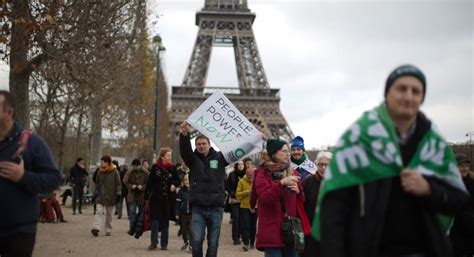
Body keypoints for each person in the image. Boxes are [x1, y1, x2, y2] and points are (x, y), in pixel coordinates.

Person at [315, 64, 469, 257]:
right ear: (387, 93)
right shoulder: (359, 139)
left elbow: (459, 200)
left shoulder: (433, 142)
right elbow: (334, 207)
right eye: (402, 88)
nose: (408, 96)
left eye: (416, 91)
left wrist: (429, 189)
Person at [0, 90, 62, 257]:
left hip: (19, 231)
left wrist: (23, 177)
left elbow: (54, 179)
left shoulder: (31, 143)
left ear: (9, 112)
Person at [179, 120, 230, 257]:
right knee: (196, 240)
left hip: (216, 206)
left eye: (204, 144)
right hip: (198, 206)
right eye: (198, 144)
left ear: (209, 144)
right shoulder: (193, 159)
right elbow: (184, 151)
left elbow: (234, 152)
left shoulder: (220, 157)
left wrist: (251, 140)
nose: (201, 146)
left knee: (213, 243)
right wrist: (184, 134)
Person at [254, 139, 305, 257]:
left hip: (291, 230)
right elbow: (265, 198)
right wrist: (281, 183)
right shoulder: (262, 174)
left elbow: (302, 201)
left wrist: (298, 191)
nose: (288, 154)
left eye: (289, 151)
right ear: (274, 154)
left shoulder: (292, 172)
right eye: (284, 151)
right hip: (272, 231)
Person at [146, 147, 180, 251]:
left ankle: (164, 244)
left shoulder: (173, 168)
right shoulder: (155, 167)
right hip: (156, 199)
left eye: (170, 155)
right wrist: (146, 198)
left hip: (167, 199)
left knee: (165, 221)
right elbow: (149, 183)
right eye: (168, 155)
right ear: (162, 156)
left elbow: (178, 180)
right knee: (155, 221)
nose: (170, 157)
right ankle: (153, 242)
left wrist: (174, 185)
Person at [301, 151, 332, 257]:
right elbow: (301, 204)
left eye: (326, 165)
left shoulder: (336, 183)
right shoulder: (308, 181)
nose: (323, 167)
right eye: (320, 164)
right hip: (310, 232)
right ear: (316, 165)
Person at [91, 155, 121, 237]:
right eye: (101, 162)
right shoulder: (99, 171)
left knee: (109, 215)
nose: (101, 163)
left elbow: (118, 184)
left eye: (102, 162)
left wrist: (118, 194)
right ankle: (96, 228)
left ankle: (108, 230)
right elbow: (97, 183)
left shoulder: (115, 171)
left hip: (111, 196)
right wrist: (95, 194)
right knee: (98, 212)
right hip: (100, 196)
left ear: (107, 162)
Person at [450, 154, 474, 257]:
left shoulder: (472, 183)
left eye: (467, 166)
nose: (465, 169)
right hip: (456, 233)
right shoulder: (450, 184)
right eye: (461, 166)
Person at [123, 159, 149, 237]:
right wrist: (131, 186)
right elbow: (125, 181)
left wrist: (142, 187)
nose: (135, 167)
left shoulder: (145, 172)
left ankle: (140, 228)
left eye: (136, 166)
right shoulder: (130, 172)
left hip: (141, 195)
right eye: (134, 166)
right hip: (132, 194)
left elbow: (149, 183)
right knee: (132, 212)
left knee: (141, 213)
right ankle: (132, 228)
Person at [236, 158, 257, 251]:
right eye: (249, 177)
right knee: (246, 225)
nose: (251, 180)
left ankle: (252, 242)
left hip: (256, 207)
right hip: (244, 206)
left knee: (253, 226)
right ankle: (246, 243)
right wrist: (246, 192)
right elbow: (237, 194)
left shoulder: (257, 181)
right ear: (246, 175)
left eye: (252, 177)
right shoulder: (241, 181)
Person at [226, 160, 245, 245]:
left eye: (242, 164)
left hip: (244, 200)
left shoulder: (246, 175)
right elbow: (228, 187)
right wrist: (234, 194)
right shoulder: (232, 174)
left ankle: (242, 236)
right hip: (234, 200)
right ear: (236, 165)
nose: (241, 166)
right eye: (239, 164)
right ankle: (235, 238)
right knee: (236, 218)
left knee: (242, 219)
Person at [176, 173, 193, 252]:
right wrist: (176, 212)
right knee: (183, 230)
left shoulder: (194, 191)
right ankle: (186, 242)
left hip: (192, 213)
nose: (187, 181)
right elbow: (178, 202)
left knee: (191, 229)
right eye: (185, 180)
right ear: (183, 182)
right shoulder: (181, 191)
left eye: (188, 180)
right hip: (183, 213)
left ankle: (191, 245)